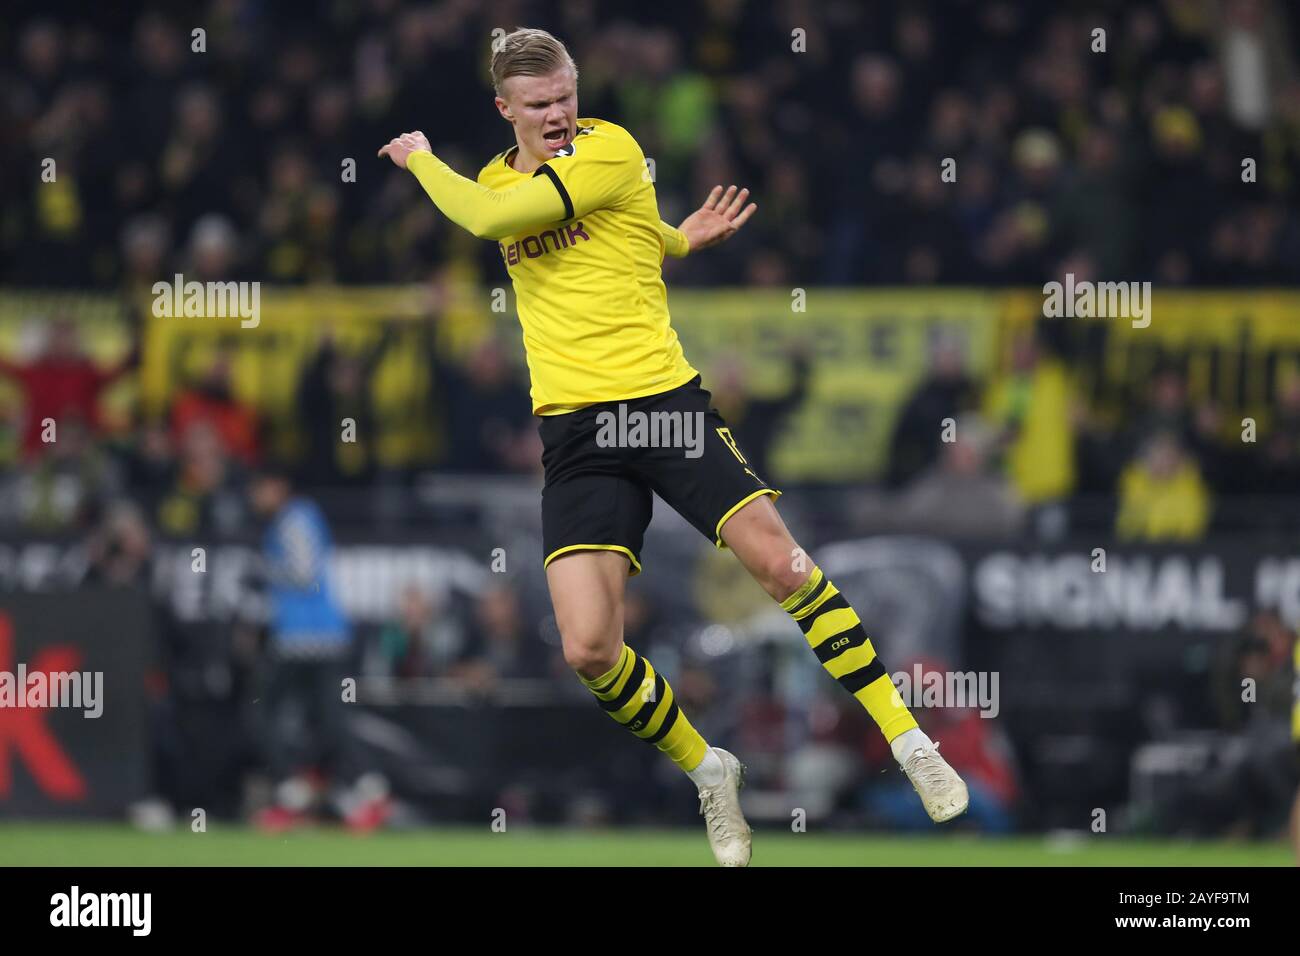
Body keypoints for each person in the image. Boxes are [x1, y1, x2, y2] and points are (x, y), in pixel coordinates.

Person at [378, 27, 966, 866]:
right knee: (588, 648)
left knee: (781, 564)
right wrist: (680, 239)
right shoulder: (511, 177)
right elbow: (617, 237)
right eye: (538, 105)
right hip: (577, 433)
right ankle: (707, 767)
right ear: (505, 109)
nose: (556, 114)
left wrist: (418, 160)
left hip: (659, 404)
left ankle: (912, 744)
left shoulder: (608, 146)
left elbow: (488, 217)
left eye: (565, 97)